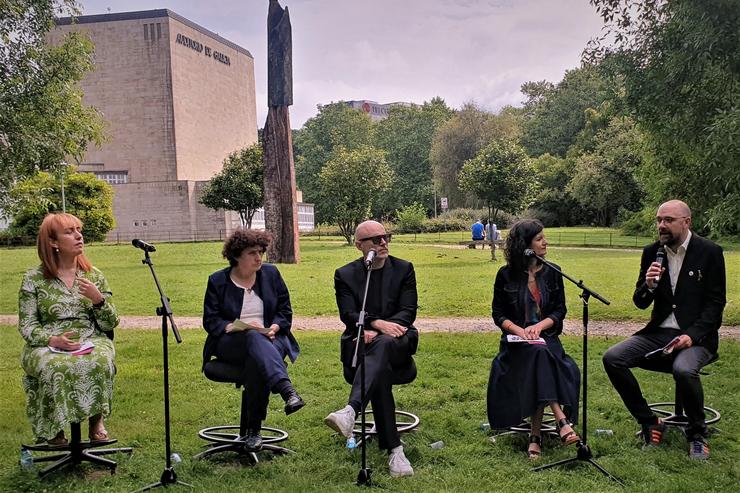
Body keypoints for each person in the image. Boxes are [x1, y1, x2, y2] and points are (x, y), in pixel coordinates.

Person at [603, 200, 726, 459]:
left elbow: (715, 305)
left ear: (686, 222)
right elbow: (640, 302)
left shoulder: (710, 252)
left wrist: (691, 336)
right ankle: (650, 422)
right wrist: (648, 284)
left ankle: (696, 434)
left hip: (698, 337)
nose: (661, 226)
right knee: (613, 358)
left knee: (683, 369)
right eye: (659, 220)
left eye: (668, 220)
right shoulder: (652, 253)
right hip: (658, 332)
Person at [324, 220, 419, 478]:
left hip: (399, 342)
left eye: (386, 237)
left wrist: (378, 329)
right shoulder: (345, 274)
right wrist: (377, 324)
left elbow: (407, 312)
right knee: (380, 375)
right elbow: (348, 314)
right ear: (359, 246)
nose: (383, 242)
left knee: (385, 342)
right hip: (360, 349)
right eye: (376, 240)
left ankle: (351, 410)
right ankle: (395, 451)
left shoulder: (404, 269)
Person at [18, 213, 119, 445]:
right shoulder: (33, 279)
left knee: (101, 360)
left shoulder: (95, 276)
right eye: (69, 232)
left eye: (78, 230)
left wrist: (98, 300)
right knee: (55, 366)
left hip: (90, 337)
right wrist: (52, 339)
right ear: (53, 242)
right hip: (47, 343)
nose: (78, 235)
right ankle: (54, 427)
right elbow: (27, 326)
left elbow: (110, 323)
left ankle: (96, 421)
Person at [202, 229, 304, 450]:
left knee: (256, 363)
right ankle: (287, 391)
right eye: (252, 253)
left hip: (271, 338)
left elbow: (285, 311)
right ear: (237, 256)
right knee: (251, 336)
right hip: (231, 342)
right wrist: (233, 326)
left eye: (261, 252)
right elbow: (211, 321)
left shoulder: (271, 274)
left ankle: (253, 434)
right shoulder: (218, 281)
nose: (259, 258)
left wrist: (274, 326)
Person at [487, 219, 580, 459]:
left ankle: (535, 437)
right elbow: (498, 314)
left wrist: (539, 327)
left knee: (539, 355)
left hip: (546, 340)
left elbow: (559, 312)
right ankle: (561, 420)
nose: (545, 242)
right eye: (539, 239)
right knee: (537, 356)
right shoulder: (505, 275)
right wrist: (520, 331)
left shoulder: (553, 272)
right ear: (525, 246)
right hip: (515, 346)